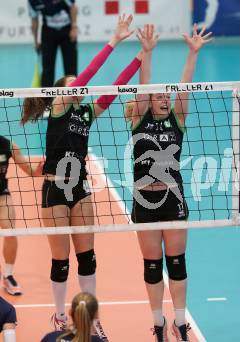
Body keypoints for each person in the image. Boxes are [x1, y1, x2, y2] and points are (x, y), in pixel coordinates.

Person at [21, 14, 143, 340]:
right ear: (62, 91)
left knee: (87, 258)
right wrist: (114, 40)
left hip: (80, 189)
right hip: (54, 190)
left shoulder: (86, 112)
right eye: (74, 82)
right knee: (60, 260)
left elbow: (114, 90)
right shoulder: (60, 106)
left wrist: (140, 56)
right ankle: (60, 316)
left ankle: (93, 316)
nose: (81, 86)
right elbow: (89, 76)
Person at [124, 24, 212, 342]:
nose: (163, 98)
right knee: (151, 266)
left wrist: (193, 53)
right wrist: (147, 52)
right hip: (145, 202)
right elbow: (143, 86)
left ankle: (180, 321)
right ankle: (158, 323)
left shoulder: (177, 120)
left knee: (176, 264)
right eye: (158, 95)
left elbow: (184, 86)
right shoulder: (139, 119)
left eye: (166, 95)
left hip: (172, 199)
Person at [0, 136, 43, 296]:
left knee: (10, 231)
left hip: (1, 195)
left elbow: (31, 172)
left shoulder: (8, 146)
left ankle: (8, 274)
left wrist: (38, 171)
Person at [29, 0, 78, 88]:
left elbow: (73, 7)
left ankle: (73, 99)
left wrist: (74, 27)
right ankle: (45, 100)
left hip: (67, 30)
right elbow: (34, 20)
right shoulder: (32, 1)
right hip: (48, 31)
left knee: (71, 69)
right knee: (47, 69)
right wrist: (36, 41)